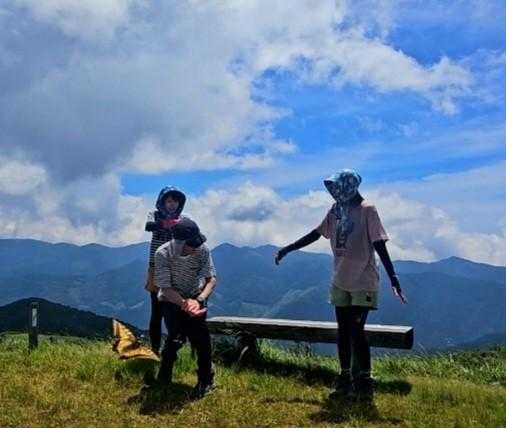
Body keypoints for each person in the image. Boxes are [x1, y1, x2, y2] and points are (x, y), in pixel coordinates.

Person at [275, 169, 407, 402]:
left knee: (356, 330)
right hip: (340, 280)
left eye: (338, 187)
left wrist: (393, 277)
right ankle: (345, 376)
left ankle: (364, 379)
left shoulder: (367, 210)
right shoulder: (336, 210)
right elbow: (317, 234)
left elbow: (379, 244)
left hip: (363, 281)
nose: (335, 192)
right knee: (343, 331)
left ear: (350, 187)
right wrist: (288, 248)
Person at [154, 218, 218, 398]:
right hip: (170, 301)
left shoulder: (202, 249)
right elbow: (165, 288)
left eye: (198, 243)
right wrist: (184, 303)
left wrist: (199, 300)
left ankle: (206, 381)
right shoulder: (163, 254)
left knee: (202, 341)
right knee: (174, 339)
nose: (196, 248)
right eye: (192, 245)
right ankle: (164, 377)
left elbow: (211, 279)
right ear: (179, 243)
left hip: (196, 297)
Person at [144, 186, 187, 355]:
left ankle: (171, 350)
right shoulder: (154, 215)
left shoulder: (183, 219)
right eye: (168, 201)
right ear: (162, 202)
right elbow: (149, 226)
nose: (172, 204)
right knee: (156, 311)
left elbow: (190, 232)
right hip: (156, 268)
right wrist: (169, 223)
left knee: (173, 311)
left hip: (175, 268)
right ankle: (154, 349)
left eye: (175, 201)